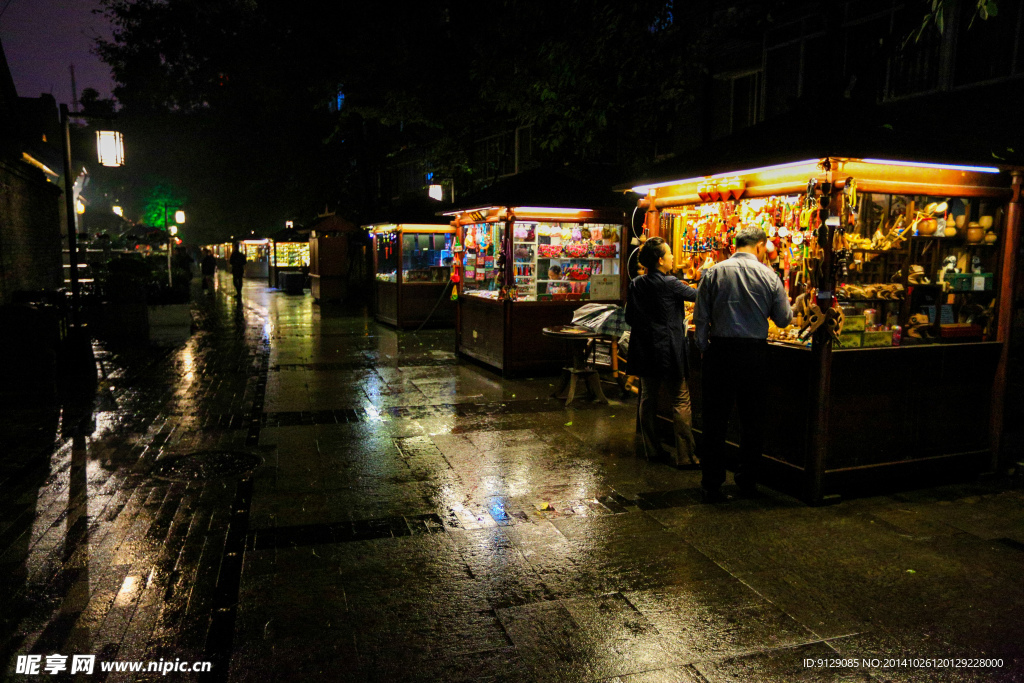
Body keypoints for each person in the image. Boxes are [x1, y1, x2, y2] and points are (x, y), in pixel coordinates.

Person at [694, 227, 793, 503]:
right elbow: (784, 320)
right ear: (760, 246)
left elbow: (701, 317)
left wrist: (704, 348)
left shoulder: (713, 272)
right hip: (754, 355)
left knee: (715, 421)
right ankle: (747, 481)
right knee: (752, 421)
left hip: (720, 352)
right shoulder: (769, 275)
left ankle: (711, 483)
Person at [625, 237, 698, 465]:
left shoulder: (637, 283)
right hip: (668, 349)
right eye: (669, 253)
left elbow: (630, 317)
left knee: (648, 399)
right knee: (680, 399)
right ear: (660, 260)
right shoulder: (670, 283)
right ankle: (686, 456)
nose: (673, 257)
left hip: (646, 350)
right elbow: (700, 296)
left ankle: (652, 450)